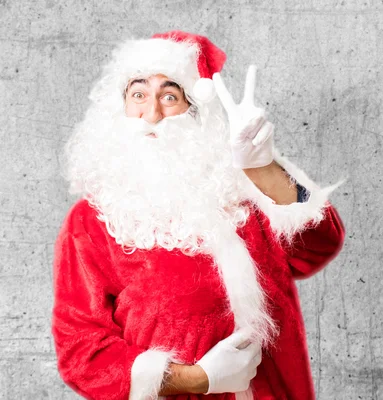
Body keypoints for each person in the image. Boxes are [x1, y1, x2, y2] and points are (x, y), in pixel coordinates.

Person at [51, 30, 345, 400]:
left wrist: (262, 167)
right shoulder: (90, 221)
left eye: (170, 96)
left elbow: (319, 244)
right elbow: (80, 350)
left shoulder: (241, 193)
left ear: (196, 111)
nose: (152, 114)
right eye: (138, 95)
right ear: (119, 108)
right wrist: (197, 378)